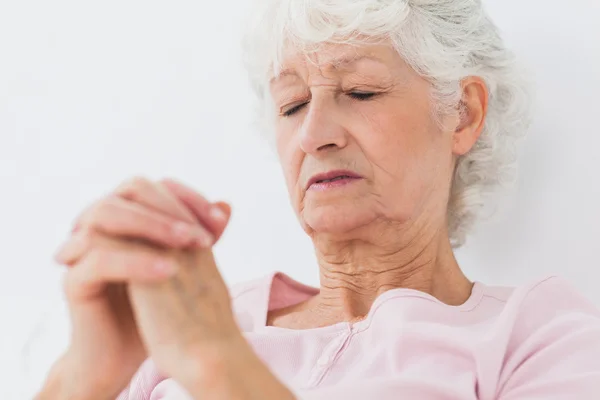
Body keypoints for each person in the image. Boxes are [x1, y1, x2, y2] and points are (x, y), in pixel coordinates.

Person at [36, 0, 600, 399]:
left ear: (463, 112)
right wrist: (80, 379)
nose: (314, 135)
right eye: (291, 105)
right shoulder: (188, 322)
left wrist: (216, 365)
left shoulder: (536, 336)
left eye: (359, 91)